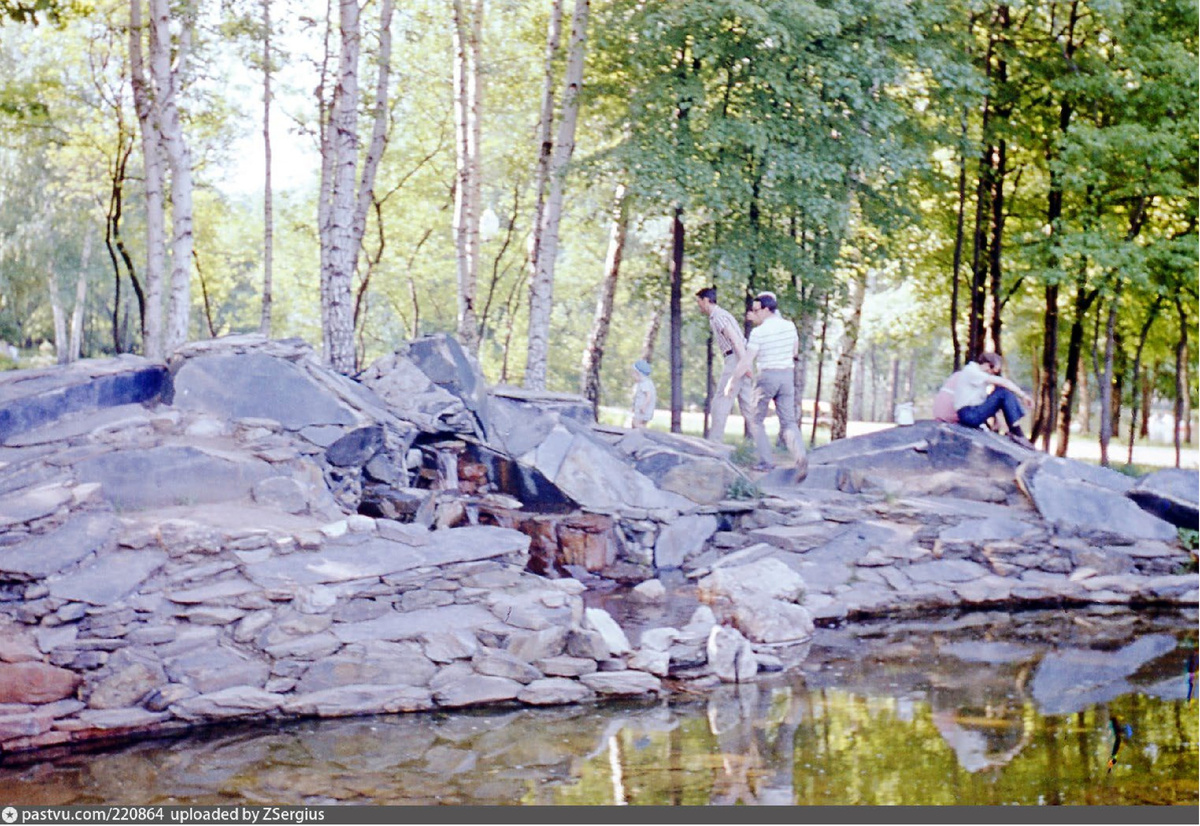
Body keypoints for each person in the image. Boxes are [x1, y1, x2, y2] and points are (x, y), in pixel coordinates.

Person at [729, 293, 807, 477]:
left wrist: (732, 382)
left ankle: (766, 462)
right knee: (788, 421)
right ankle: (800, 457)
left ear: (766, 309)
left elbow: (747, 360)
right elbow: (795, 351)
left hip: (767, 376)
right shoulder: (789, 326)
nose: (755, 314)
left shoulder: (759, 332)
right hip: (787, 376)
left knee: (756, 420)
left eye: (756, 310)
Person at [694, 286, 756, 443]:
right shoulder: (719, 316)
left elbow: (735, 340)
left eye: (699, 301)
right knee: (748, 406)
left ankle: (714, 443)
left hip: (736, 358)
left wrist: (744, 364)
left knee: (721, 400)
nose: (698, 305)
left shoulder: (719, 317)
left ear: (707, 301)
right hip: (740, 357)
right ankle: (762, 445)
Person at [950, 352, 1035, 449]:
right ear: (986, 364)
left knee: (1002, 393)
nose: (992, 373)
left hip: (971, 413)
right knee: (1003, 392)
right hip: (968, 414)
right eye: (992, 369)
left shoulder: (978, 378)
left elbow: (994, 405)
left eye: (995, 372)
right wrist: (1023, 395)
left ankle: (1015, 432)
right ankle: (1018, 433)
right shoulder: (971, 371)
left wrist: (1004, 428)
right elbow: (1004, 382)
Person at [630, 359, 656, 429]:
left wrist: (644, 406)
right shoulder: (646, 383)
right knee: (637, 424)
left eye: (633, 374)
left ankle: (646, 434)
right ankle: (640, 436)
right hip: (642, 409)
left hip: (642, 409)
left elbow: (649, 395)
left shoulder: (644, 383)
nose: (632, 376)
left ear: (639, 374)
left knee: (636, 423)